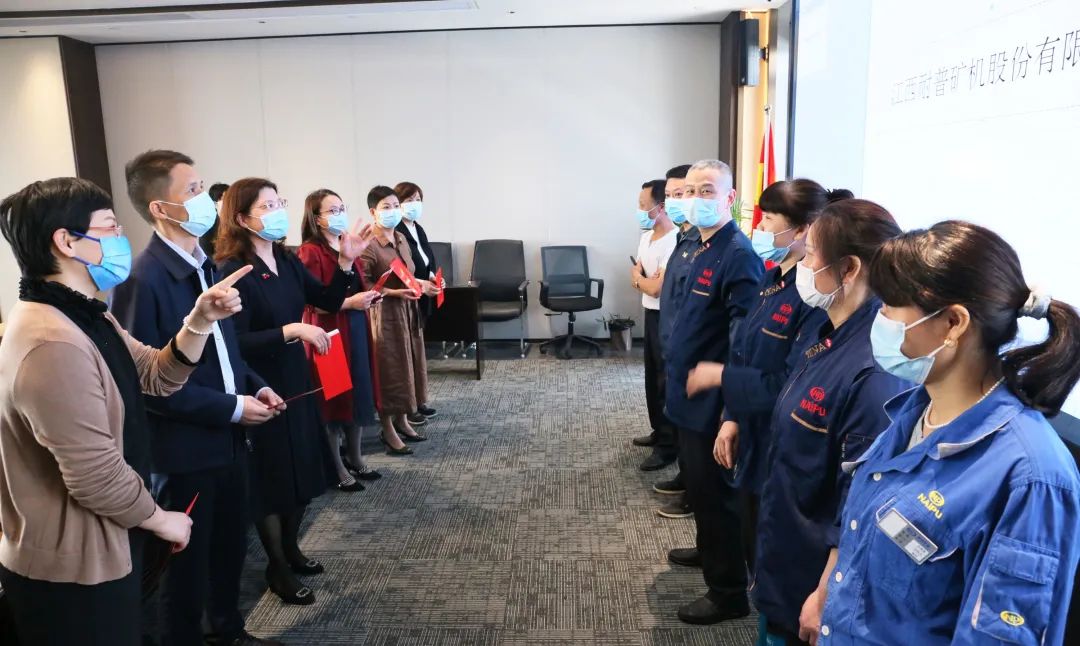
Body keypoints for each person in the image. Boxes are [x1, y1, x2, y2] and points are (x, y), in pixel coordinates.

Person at [0, 177, 247, 645]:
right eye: (110, 227)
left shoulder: (86, 314)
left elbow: (156, 375)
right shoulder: (50, 341)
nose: (120, 238)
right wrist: (160, 517)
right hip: (72, 568)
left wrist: (199, 321)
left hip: (105, 541)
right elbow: (94, 475)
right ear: (67, 241)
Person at [812, 220, 1080, 645]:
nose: (880, 318)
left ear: (953, 323)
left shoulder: (1030, 475)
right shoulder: (915, 413)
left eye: (890, 306)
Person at [110, 151, 282, 646]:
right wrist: (233, 408)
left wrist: (253, 385)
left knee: (229, 551)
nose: (207, 200)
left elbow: (224, 351)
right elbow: (149, 386)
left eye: (204, 187)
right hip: (184, 453)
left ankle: (228, 631)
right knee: (183, 575)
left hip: (228, 441)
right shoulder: (143, 279)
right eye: (192, 191)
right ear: (161, 208)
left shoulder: (204, 264)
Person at [751, 198, 909, 645]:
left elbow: (858, 498)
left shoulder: (873, 370)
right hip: (786, 541)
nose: (802, 264)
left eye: (810, 254)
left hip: (814, 573)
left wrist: (825, 591)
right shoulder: (828, 332)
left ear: (849, 268)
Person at [215, 177, 368, 605]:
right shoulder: (232, 269)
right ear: (242, 218)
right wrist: (290, 330)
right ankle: (277, 566)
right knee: (272, 478)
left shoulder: (286, 258)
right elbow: (233, 341)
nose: (278, 210)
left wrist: (345, 261)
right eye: (267, 206)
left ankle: (292, 548)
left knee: (303, 469)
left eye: (279, 202)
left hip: (297, 376)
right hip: (260, 382)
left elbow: (327, 300)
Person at [684, 180, 845, 575]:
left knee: (770, 551)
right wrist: (732, 416)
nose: (759, 226)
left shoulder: (813, 298)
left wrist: (721, 377)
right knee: (750, 533)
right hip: (752, 429)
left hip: (781, 441)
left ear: (803, 229)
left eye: (768, 219)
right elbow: (745, 352)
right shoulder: (772, 277)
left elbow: (790, 382)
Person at [661, 160, 764, 624]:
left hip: (712, 398)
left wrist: (731, 408)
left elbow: (744, 339)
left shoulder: (737, 254)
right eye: (689, 191)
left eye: (707, 190)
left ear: (730, 198)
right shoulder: (699, 245)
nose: (695, 199)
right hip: (686, 391)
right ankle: (709, 550)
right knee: (701, 490)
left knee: (717, 494)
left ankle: (727, 592)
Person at [297, 188, 383, 491]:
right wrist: (351, 302)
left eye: (342, 208)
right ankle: (336, 467)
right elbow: (315, 302)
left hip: (355, 326)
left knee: (357, 393)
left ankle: (356, 457)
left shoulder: (347, 242)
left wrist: (368, 297)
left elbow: (357, 285)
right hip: (328, 331)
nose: (339, 215)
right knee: (334, 400)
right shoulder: (310, 251)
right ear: (316, 218)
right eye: (332, 211)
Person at [359, 185, 441, 455]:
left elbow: (407, 274)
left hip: (408, 310)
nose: (393, 211)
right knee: (390, 370)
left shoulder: (401, 238)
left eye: (396, 206)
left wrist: (424, 285)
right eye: (387, 207)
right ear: (373, 212)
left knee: (409, 366)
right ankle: (387, 428)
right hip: (384, 315)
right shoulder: (368, 244)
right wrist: (393, 292)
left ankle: (403, 420)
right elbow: (363, 284)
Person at [644, 163, 695, 520]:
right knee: (672, 406)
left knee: (695, 429)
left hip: (695, 352)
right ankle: (686, 478)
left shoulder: (729, 251)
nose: (678, 201)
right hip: (672, 336)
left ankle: (694, 493)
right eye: (673, 195)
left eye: (685, 193)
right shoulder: (686, 241)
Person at [630, 179, 678, 471]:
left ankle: (668, 446)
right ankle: (658, 430)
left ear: (660, 207)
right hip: (649, 313)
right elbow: (639, 275)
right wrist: (643, 280)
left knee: (665, 381)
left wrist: (641, 280)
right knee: (651, 376)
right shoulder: (646, 237)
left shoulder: (674, 241)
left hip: (666, 316)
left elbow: (655, 288)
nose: (639, 210)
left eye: (642, 205)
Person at [393, 181, 439, 426]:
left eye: (418, 200)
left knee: (418, 353)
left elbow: (427, 257)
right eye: (409, 200)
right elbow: (400, 269)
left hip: (423, 294)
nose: (414, 205)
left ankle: (419, 400)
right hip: (407, 296)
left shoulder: (417, 227)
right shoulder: (396, 230)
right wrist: (420, 283)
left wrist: (432, 277)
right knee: (407, 355)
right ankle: (407, 406)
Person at [199, 181, 229, 259]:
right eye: (225, 198)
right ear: (215, 202)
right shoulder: (208, 224)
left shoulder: (238, 219)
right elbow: (207, 254)